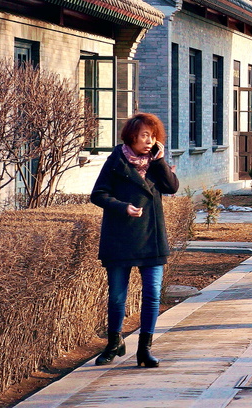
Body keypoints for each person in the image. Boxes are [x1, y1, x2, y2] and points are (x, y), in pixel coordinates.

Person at [90, 113, 180, 368]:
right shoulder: (116, 161)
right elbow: (97, 194)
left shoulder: (155, 162)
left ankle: (145, 349)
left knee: (152, 295)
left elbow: (172, 187)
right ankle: (114, 343)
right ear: (132, 136)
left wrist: (160, 162)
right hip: (120, 239)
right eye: (144, 136)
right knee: (117, 297)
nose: (149, 141)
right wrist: (122, 207)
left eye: (153, 136)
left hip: (151, 239)